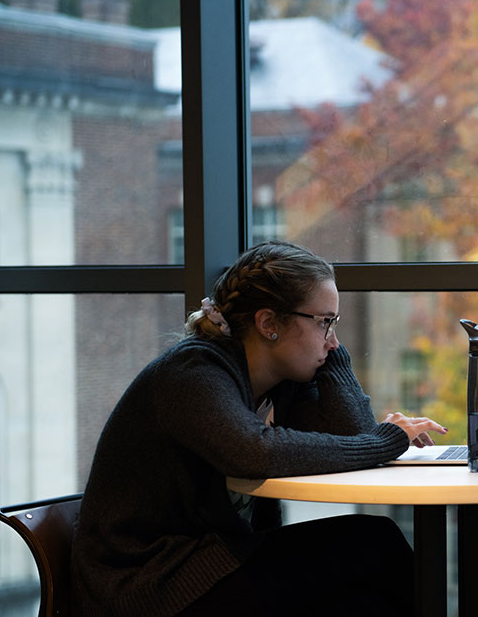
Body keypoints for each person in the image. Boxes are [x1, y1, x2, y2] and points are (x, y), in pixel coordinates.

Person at [70, 241, 447, 616]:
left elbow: (354, 440)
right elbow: (256, 452)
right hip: (150, 582)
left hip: (212, 560)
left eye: (335, 323)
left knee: (373, 558)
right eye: (324, 321)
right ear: (268, 324)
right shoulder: (192, 372)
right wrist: (384, 440)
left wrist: (332, 354)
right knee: (374, 547)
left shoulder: (282, 380)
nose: (332, 338)